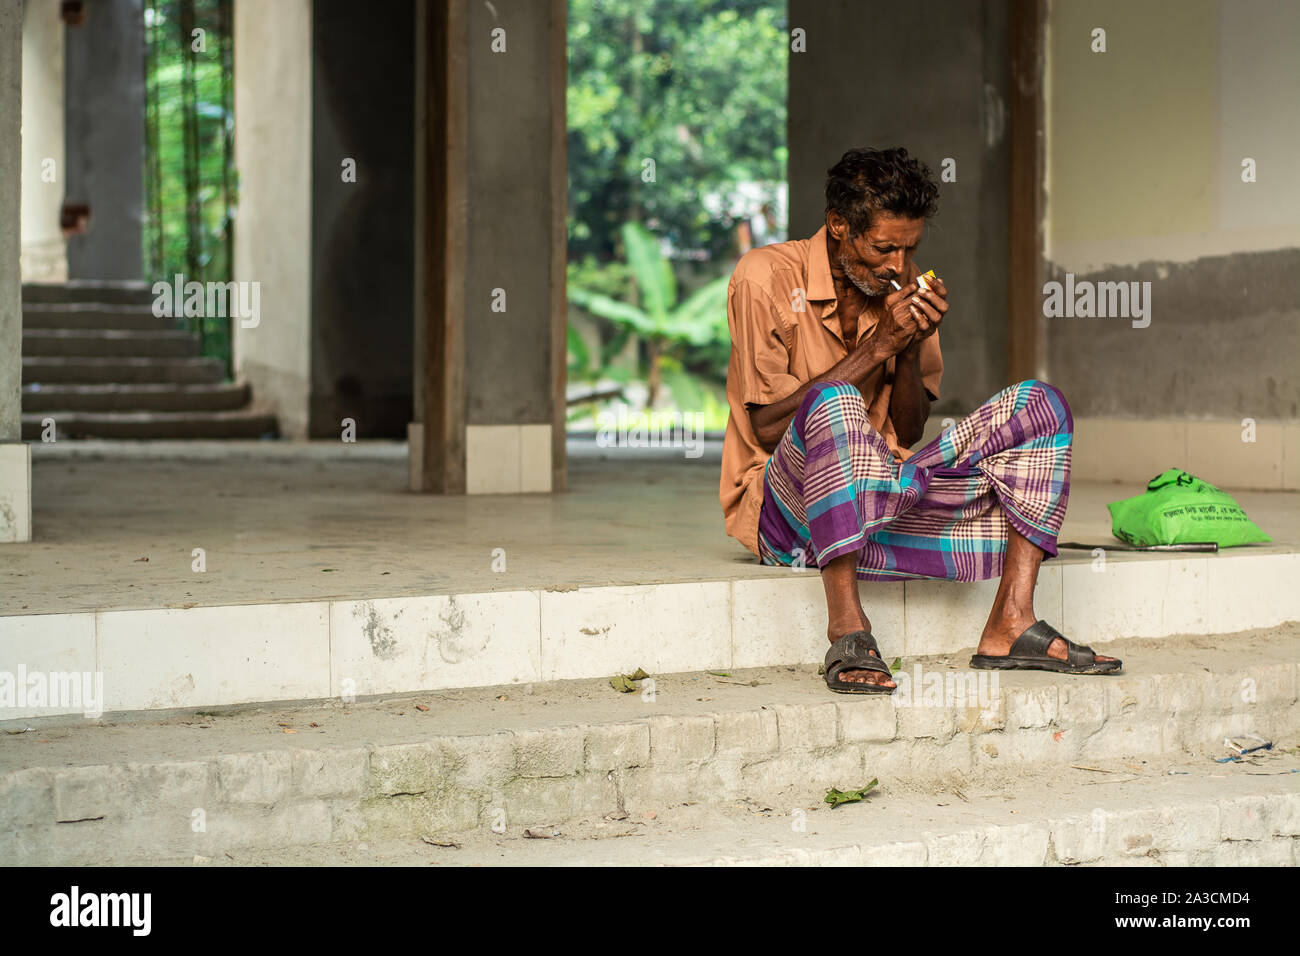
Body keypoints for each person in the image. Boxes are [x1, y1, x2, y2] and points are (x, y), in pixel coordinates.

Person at [719, 147, 1121, 694]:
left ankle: (1010, 621)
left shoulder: (906, 289)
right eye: (883, 247)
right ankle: (848, 628)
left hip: (880, 500)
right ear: (838, 225)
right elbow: (767, 427)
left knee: (1041, 405)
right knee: (835, 401)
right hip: (790, 514)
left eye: (909, 249)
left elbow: (908, 432)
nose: (896, 265)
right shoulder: (764, 276)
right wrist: (878, 344)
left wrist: (905, 347)